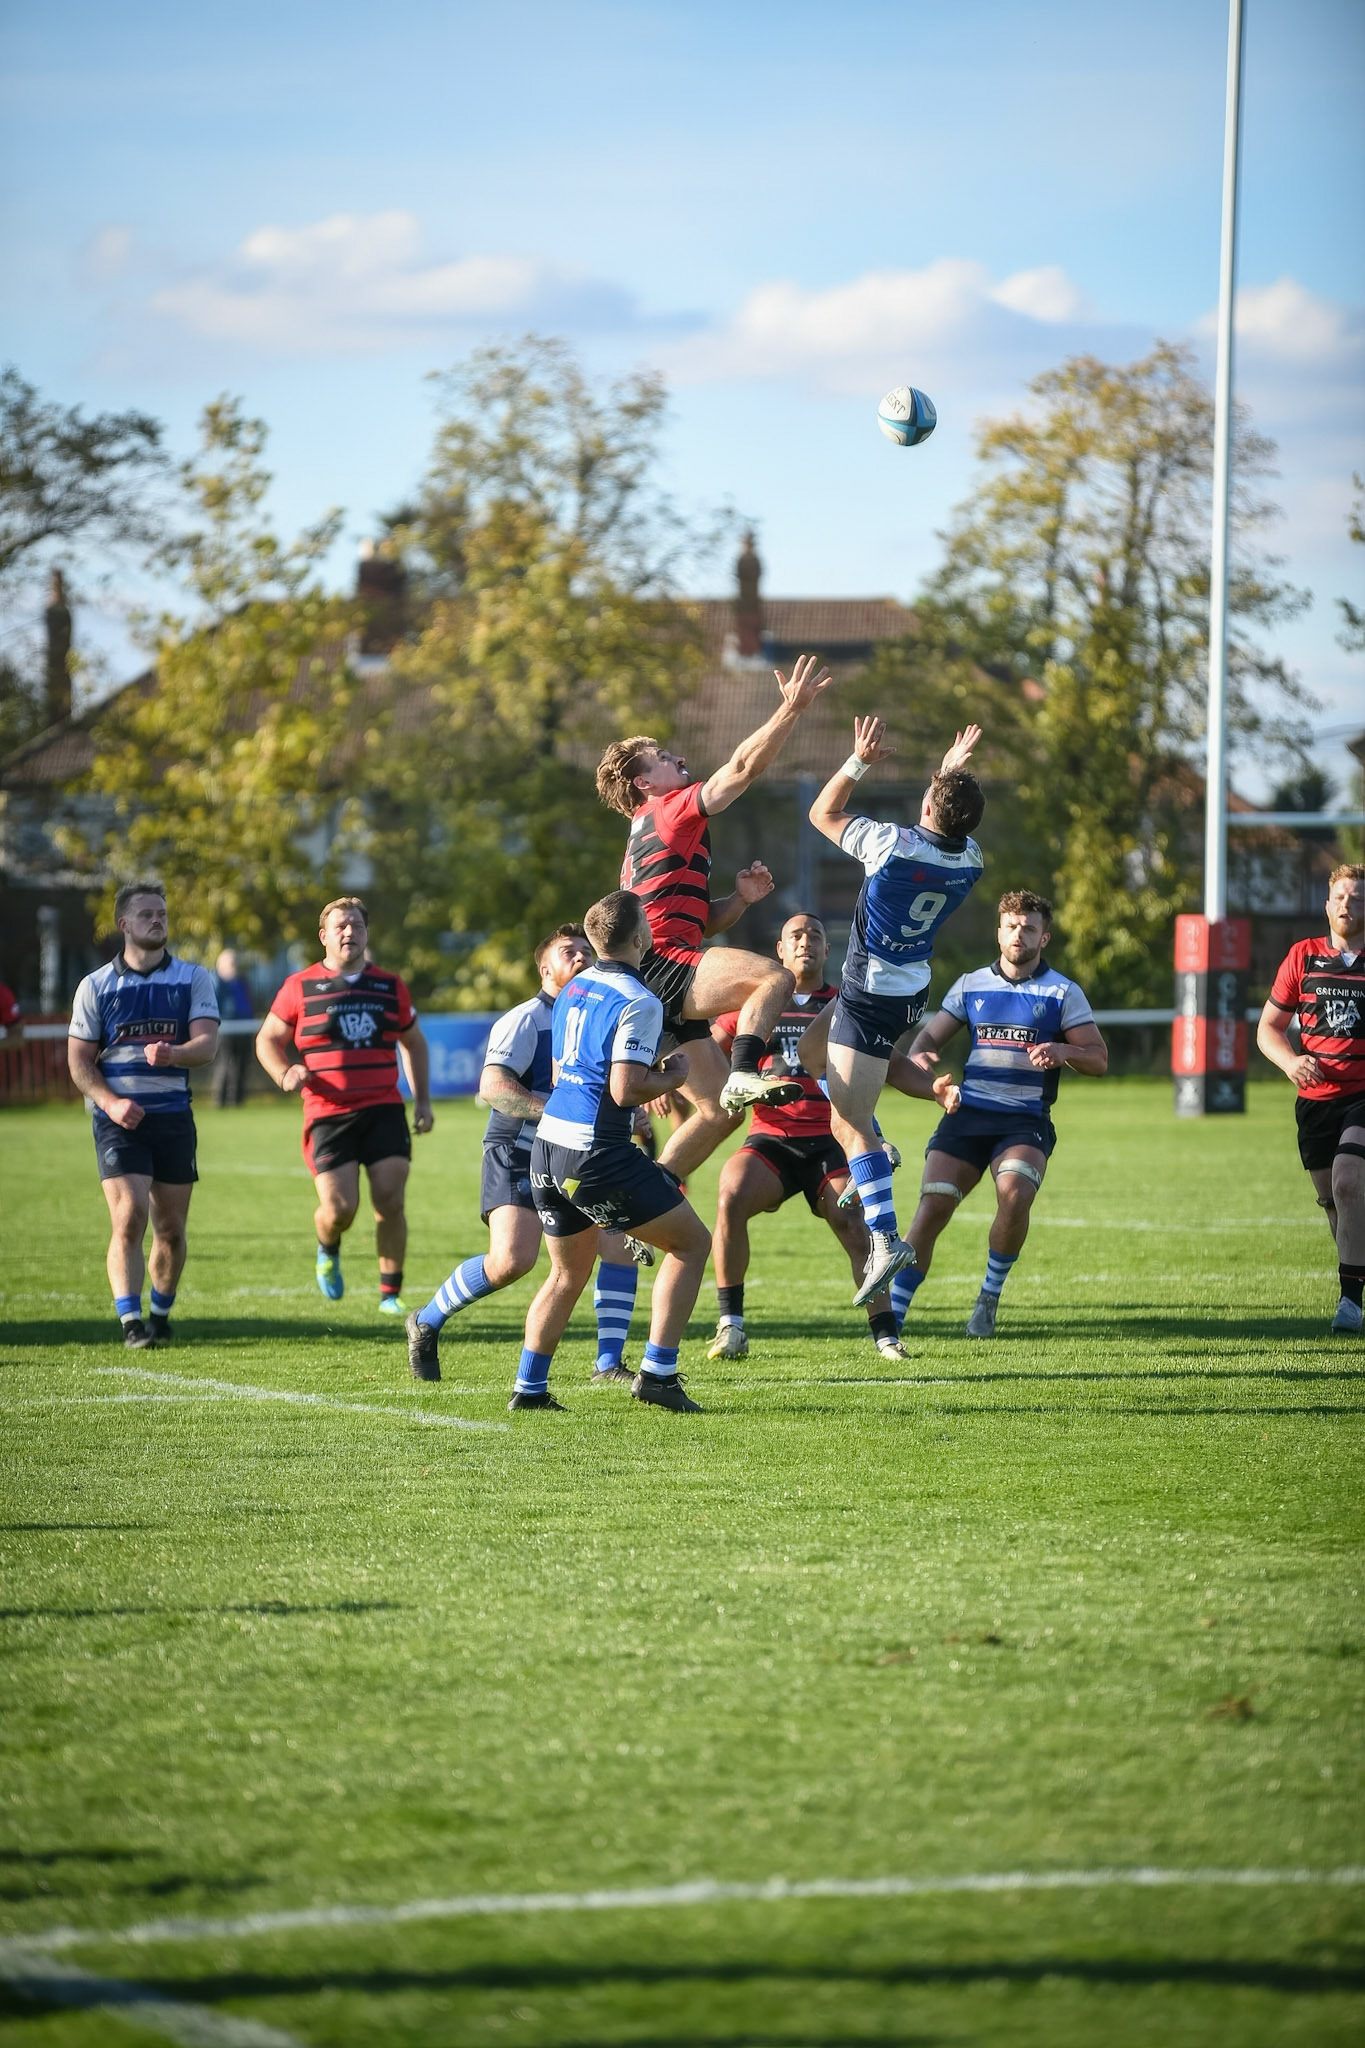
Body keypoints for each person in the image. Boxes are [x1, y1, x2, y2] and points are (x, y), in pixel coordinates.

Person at [595, 653, 835, 1181]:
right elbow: (743, 768)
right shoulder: (670, 806)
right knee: (774, 977)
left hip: (652, 972)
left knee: (717, 1111)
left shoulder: (640, 834)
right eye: (661, 756)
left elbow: (694, 923)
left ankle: (649, 1195)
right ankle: (747, 1070)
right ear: (644, 783)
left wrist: (739, 901)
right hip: (663, 967)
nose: (676, 757)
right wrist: (790, 710)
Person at [708, 912, 959, 1365]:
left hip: (834, 1142)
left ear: (828, 951)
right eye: (795, 936)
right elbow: (707, 1052)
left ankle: (886, 1337)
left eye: (816, 935)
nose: (806, 942)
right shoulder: (757, 1003)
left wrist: (932, 1089)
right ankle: (732, 1326)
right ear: (779, 950)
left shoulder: (846, 1005)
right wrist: (668, 1085)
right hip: (772, 1139)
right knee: (730, 1194)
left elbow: (893, 1062)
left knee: (859, 1224)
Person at [404, 923, 647, 1384]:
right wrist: (558, 1114)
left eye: (584, 950)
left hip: (579, 1155)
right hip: (517, 1152)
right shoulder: (525, 1019)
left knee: (617, 1249)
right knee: (511, 1262)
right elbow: (494, 1088)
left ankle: (607, 1363)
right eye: (567, 952)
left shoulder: (600, 1012)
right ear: (544, 968)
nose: (580, 957)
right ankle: (426, 1320)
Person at [803, 713, 985, 1304]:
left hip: (868, 991)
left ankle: (884, 1235)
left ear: (928, 807)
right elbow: (947, 819)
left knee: (847, 1122)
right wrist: (951, 773)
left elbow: (822, 813)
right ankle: (874, 1159)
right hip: (910, 994)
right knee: (810, 1055)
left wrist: (857, 761)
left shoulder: (889, 844)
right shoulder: (971, 859)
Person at [511, 889, 714, 1414]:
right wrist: (672, 1075)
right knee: (691, 1244)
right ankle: (658, 1374)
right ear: (642, 937)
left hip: (548, 1146)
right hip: (594, 1152)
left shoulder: (574, 987)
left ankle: (529, 1390)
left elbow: (564, 1074)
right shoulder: (640, 1000)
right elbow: (625, 1089)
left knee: (565, 1273)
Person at [892, 891, 1107, 1338]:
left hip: (1024, 1121)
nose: (1018, 934)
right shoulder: (971, 984)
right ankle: (891, 1316)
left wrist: (1064, 1049)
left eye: (1028, 928)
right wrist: (927, 1065)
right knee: (932, 1208)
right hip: (967, 1116)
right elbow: (925, 1042)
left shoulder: (1063, 992)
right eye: (1011, 925)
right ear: (999, 931)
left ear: (1043, 937)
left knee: (1014, 1195)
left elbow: (1098, 1059)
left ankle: (988, 1298)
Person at [255, 897, 433, 1317]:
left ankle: (390, 1293)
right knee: (340, 1209)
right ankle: (327, 1245)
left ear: (367, 933)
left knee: (390, 1199)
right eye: (340, 926)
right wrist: (284, 1073)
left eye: (356, 925)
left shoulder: (390, 985)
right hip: (328, 1112)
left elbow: (414, 1042)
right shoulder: (298, 986)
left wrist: (422, 1099)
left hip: (383, 1107)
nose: (349, 932)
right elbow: (267, 1040)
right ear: (324, 936)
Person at [66, 883, 220, 1347]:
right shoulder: (96, 985)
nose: (157, 921)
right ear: (124, 925)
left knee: (170, 1229)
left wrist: (173, 1055)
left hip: (173, 1116)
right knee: (130, 1215)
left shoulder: (193, 979)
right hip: (118, 1120)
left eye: (162, 914)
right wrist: (110, 1102)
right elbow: (79, 1061)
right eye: (147, 914)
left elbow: (206, 1047)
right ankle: (131, 1323)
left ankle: (160, 1313)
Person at [1256, 863, 1365, 1334]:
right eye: (1340, 896)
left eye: (1357, 898)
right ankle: (1355, 1276)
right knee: (1334, 1203)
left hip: (1361, 1094)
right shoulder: (1302, 957)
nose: (1347, 904)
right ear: (1327, 906)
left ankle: (1349, 1302)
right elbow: (1268, 1029)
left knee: (1348, 1180)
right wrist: (1289, 1063)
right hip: (1315, 1100)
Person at [211, 947, 255, 1107]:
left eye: (236, 962)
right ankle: (220, 1100)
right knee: (225, 1064)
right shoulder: (217, 983)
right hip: (225, 1029)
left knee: (241, 1064)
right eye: (231, 962)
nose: (235, 965)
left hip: (244, 1028)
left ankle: (237, 1100)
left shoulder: (243, 982)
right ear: (221, 965)